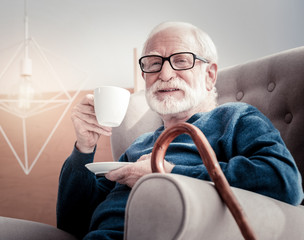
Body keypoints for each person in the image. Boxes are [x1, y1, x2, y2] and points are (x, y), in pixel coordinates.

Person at [56, 22, 303, 240]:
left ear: (209, 75)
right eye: (153, 64)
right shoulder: (139, 145)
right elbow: (72, 223)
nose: (164, 74)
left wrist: (168, 173)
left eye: (181, 60)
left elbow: (284, 181)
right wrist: (84, 148)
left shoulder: (235, 118)